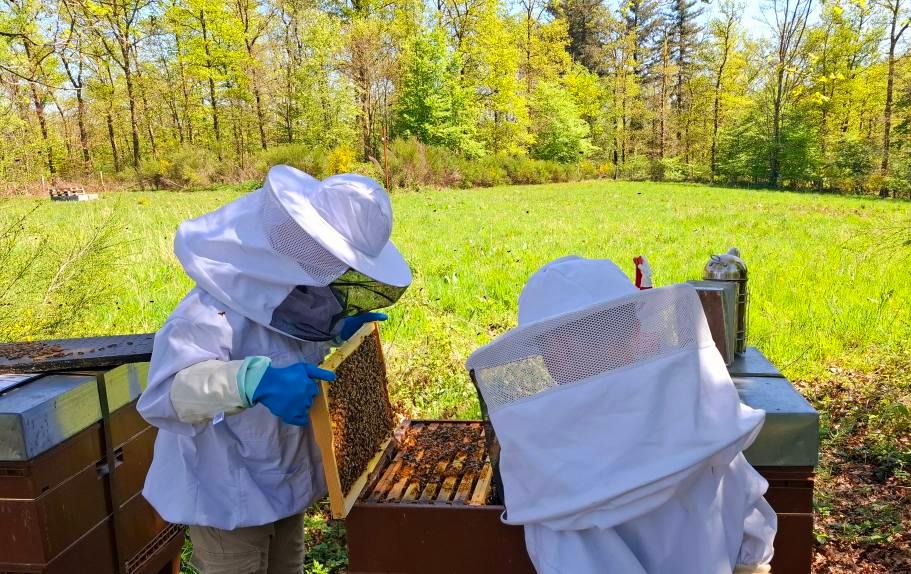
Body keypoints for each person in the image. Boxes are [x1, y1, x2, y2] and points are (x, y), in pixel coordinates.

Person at [137, 165, 411, 573]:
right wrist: (252, 382)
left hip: (282, 482)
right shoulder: (206, 311)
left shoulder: (295, 298)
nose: (335, 276)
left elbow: (294, 339)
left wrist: (336, 331)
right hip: (228, 495)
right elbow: (165, 396)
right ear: (300, 243)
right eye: (331, 260)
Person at [468, 256, 776, 574]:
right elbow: (751, 528)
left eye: (546, 345)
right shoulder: (698, 412)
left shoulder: (555, 472)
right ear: (635, 330)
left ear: (557, 347)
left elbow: (569, 563)